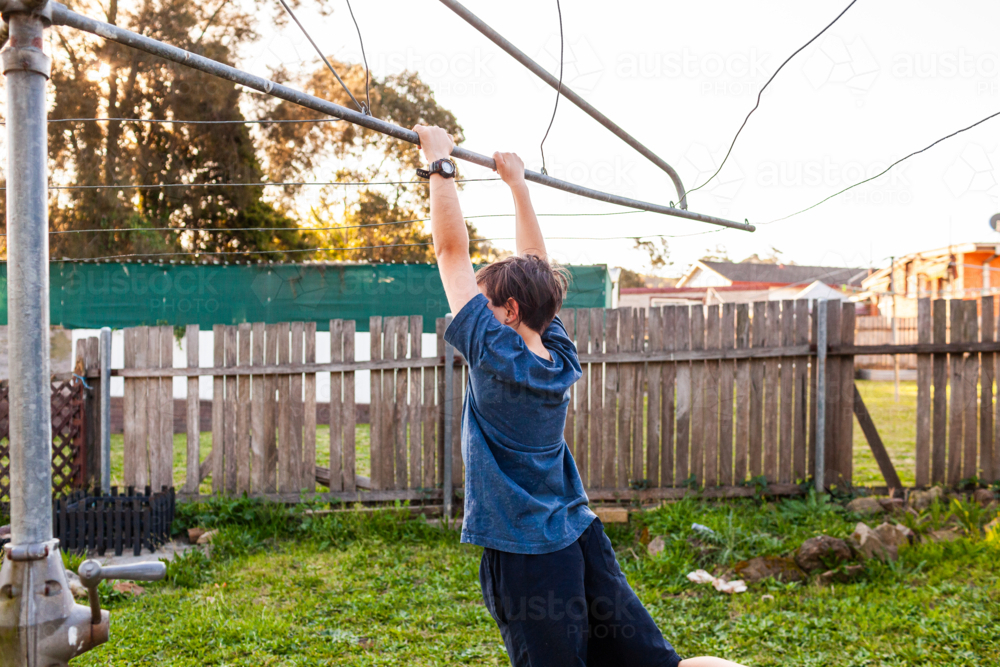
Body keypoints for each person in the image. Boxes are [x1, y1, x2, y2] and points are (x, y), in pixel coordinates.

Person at [413, 124, 747, 667]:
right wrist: (517, 185)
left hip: (528, 556)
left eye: (486, 301)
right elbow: (537, 271)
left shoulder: (496, 357)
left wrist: (440, 163)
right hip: (578, 536)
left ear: (511, 313)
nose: (476, 304)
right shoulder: (559, 355)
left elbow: (451, 253)